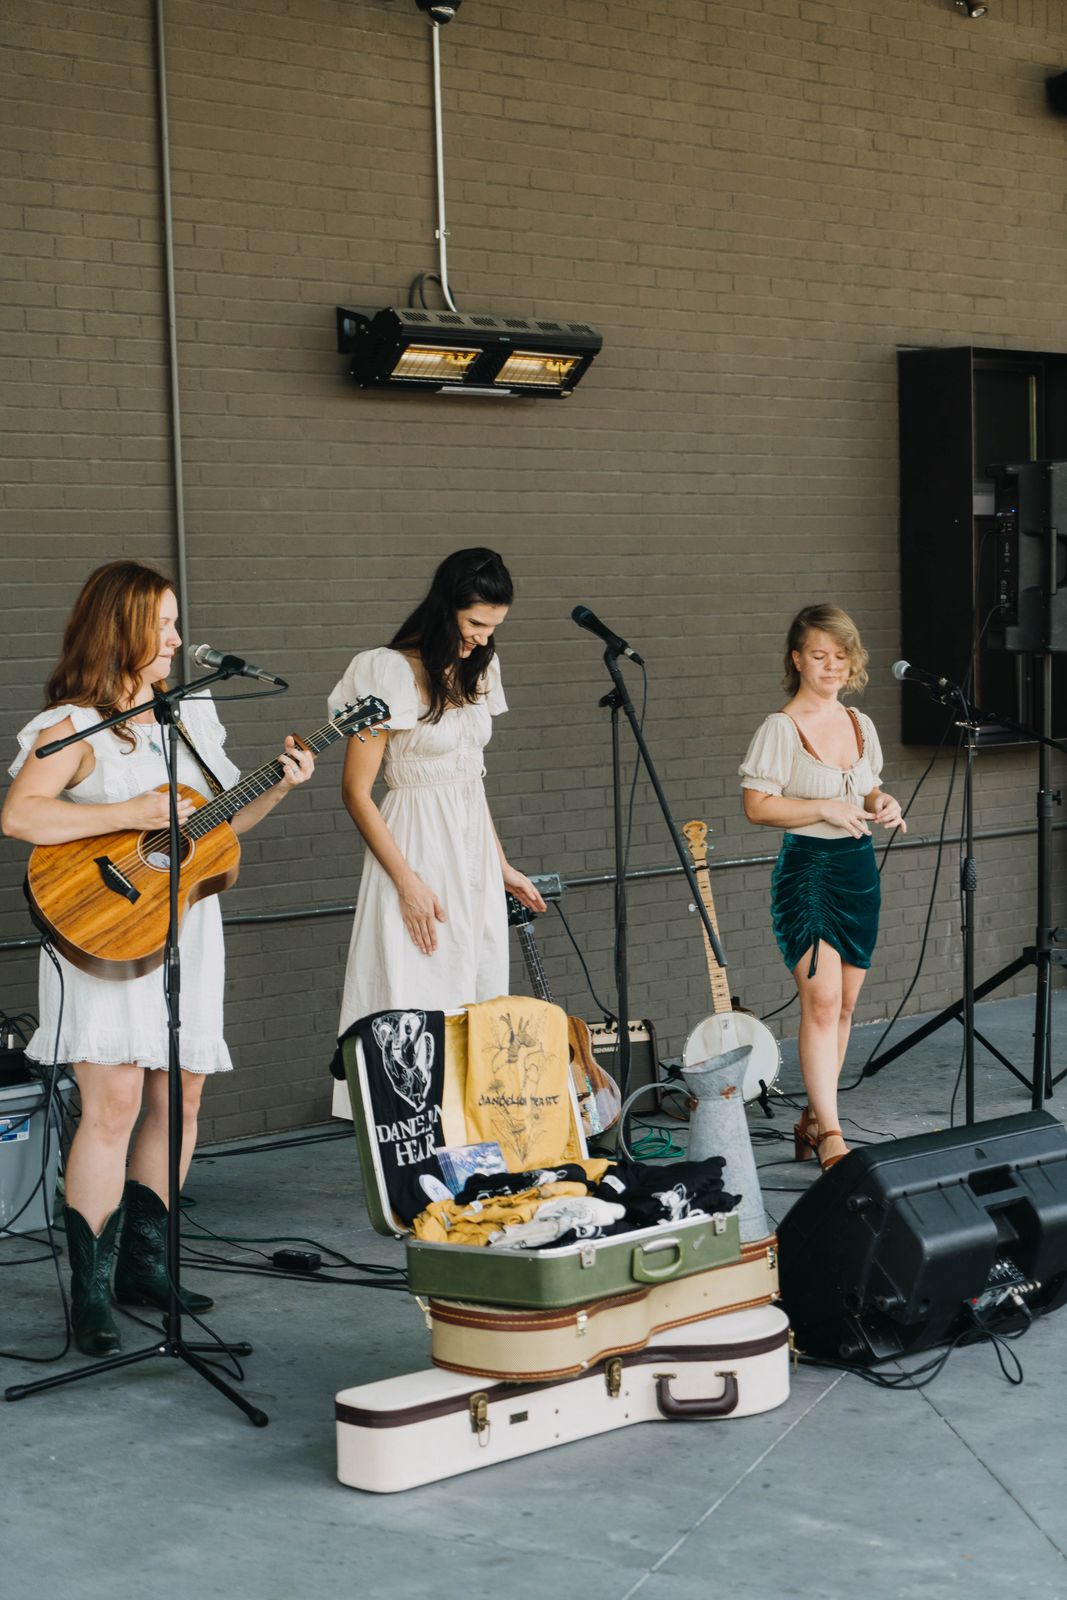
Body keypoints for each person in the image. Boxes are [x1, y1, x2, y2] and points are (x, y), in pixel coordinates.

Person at [1, 561, 315, 1355]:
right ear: (122, 628)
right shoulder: (72, 724)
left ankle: (144, 1266)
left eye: (176, 623)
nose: (176, 639)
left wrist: (279, 785)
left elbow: (211, 834)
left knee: (181, 1097)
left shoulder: (190, 719)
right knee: (112, 1105)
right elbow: (21, 816)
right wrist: (131, 810)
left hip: (184, 926)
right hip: (102, 930)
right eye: (163, 624)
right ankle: (92, 1293)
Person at [329, 548, 546, 1045]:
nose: (483, 638)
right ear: (445, 608)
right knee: (415, 996)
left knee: (477, 994)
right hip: (415, 850)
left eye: (493, 627)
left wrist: (501, 865)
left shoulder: (479, 668)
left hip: (473, 858)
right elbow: (355, 792)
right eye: (475, 623)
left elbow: (469, 781)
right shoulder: (384, 670)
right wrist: (408, 883)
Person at [739, 604, 906, 1170]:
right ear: (797, 659)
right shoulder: (781, 727)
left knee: (846, 1005)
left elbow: (867, 789)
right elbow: (757, 806)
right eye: (819, 655)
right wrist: (824, 808)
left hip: (858, 871)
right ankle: (832, 1134)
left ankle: (812, 1118)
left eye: (841, 655)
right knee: (822, 1002)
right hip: (808, 872)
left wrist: (881, 801)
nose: (831, 665)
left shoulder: (860, 723)